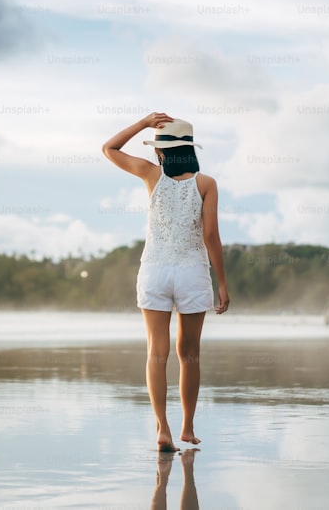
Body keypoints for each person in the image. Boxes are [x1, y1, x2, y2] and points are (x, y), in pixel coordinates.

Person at [102, 112, 230, 451]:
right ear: (190, 150)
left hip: (155, 270)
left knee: (155, 354)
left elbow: (109, 148)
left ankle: (163, 429)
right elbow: (212, 236)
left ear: (161, 151)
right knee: (189, 355)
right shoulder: (206, 184)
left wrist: (143, 123)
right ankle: (187, 427)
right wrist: (222, 283)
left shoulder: (150, 174)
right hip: (191, 272)